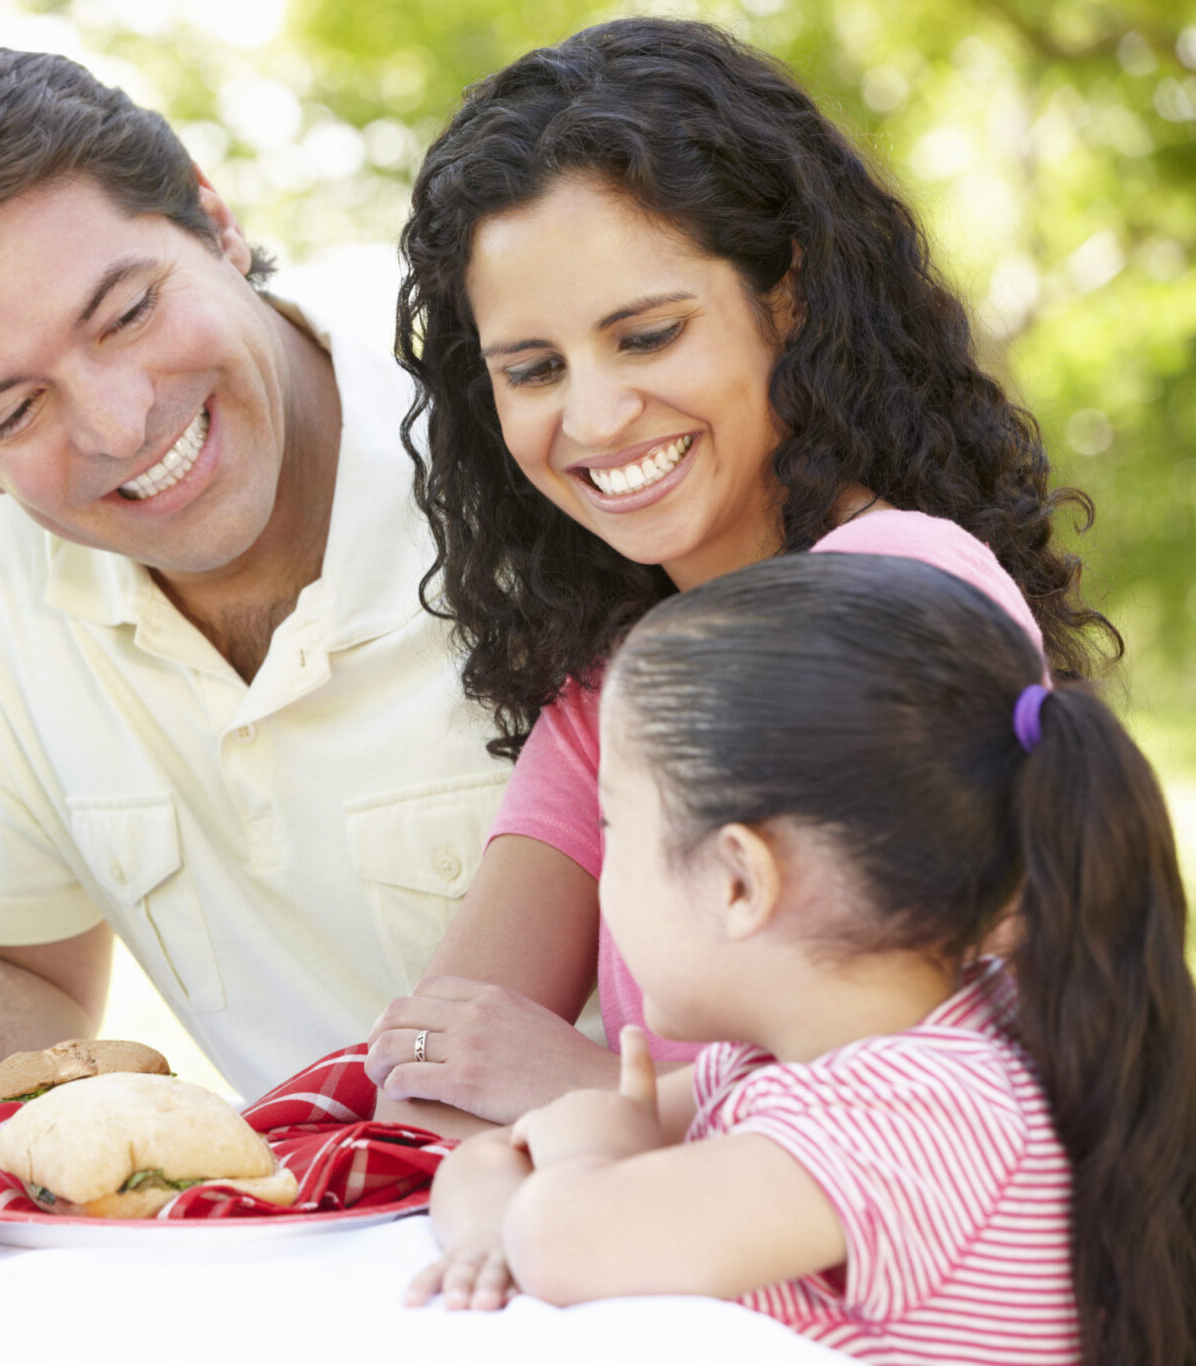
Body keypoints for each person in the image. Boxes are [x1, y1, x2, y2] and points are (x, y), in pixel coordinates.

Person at [366, 18, 1119, 1136]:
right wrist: (442, 1055)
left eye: (646, 336)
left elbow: (925, 1104)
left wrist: (585, 1095)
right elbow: (432, 1073)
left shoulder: (896, 594)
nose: (592, 415)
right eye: (532, 368)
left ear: (786, 299)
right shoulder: (609, 689)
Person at [0, 48, 509, 1138]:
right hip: (317, 1251)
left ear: (213, 221)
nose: (118, 424)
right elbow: (10, 956)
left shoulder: (518, 452)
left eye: (124, 313)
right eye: (14, 411)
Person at [407, 552, 1196, 1366]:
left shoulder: (926, 1114)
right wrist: (494, 1236)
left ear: (740, 881)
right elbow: (483, 1169)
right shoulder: (788, 1065)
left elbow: (567, 1235)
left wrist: (579, 1164)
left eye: (613, 830)